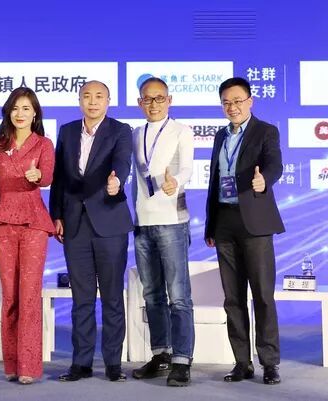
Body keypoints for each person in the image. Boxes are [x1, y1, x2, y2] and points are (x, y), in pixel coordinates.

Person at [49, 80, 133, 382]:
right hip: (75, 224)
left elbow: (122, 162)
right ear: (80, 101)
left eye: (99, 96)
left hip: (109, 221)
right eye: (87, 96)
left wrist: (116, 181)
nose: (93, 101)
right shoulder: (68, 131)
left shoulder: (120, 130)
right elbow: (59, 177)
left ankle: (113, 364)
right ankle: (81, 363)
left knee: (112, 297)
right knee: (81, 298)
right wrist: (56, 214)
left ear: (108, 102)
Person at [204, 77, 285, 385]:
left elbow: (274, 164)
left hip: (255, 222)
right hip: (225, 221)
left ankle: (270, 362)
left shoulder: (266, 131)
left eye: (238, 101)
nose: (232, 107)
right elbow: (215, 181)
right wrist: (211, 224)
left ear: (250, 101)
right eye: (226, 102)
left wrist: (264, 180)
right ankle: (242, 362)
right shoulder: (220, 136)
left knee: (262, 295)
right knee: (233, 298)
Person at [0, 87, 55, 385]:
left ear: (35, 113)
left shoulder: (44, 144)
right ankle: (11, 363)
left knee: (29, 294)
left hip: (34, 223)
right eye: (15, 108)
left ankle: (29, 366)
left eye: (26, 108)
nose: (20, 114)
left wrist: (38, 176)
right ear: (8, 112)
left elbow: (48, 175)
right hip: (2, 223)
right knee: (10, 295)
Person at [129, 77, 195, 387]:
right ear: (140, 102)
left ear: (169, 100)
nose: (153, 104)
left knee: (178, 296)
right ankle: (161, 355)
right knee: (152, 294)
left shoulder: (182, 131)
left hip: (172, 221)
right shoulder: (135, 134)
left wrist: (176, 182)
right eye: (147, 98)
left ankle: (182, 360)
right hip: (142, 223)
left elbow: (188, 168)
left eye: (159, 98)